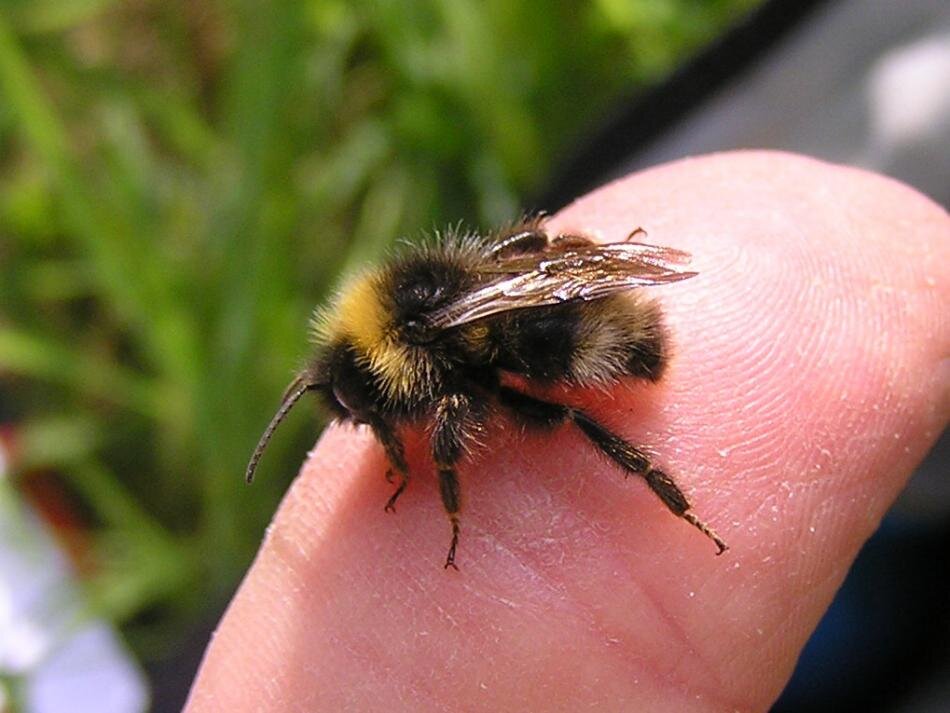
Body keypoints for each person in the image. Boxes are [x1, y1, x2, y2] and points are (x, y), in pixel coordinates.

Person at [185, 151, 949, 712]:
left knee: (573, 420)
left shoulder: (428, 358)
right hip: (557, 301)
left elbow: (448, 413)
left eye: (368, 407)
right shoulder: (408, 313)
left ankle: (676, 503)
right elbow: (518, 254)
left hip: (579, 336)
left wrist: (449, 510)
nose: (369, 421)